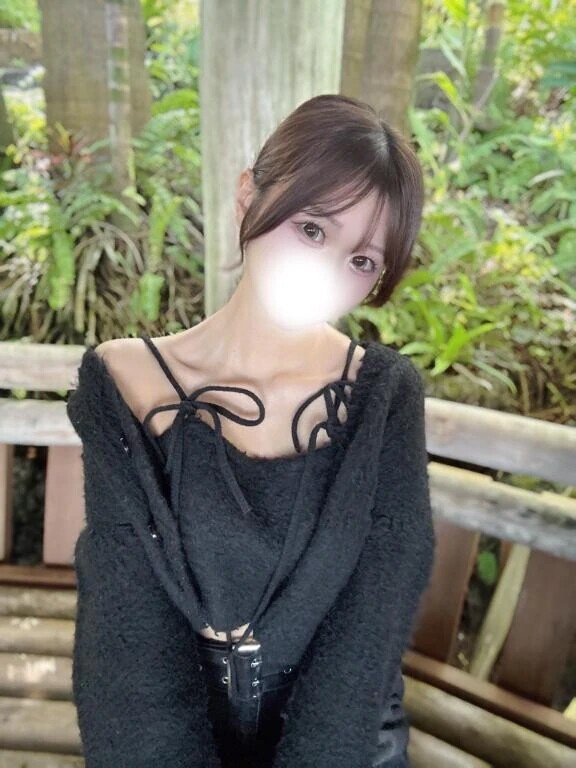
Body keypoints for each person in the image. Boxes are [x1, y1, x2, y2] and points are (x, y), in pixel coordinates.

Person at [67, 93, 436, 768]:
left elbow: (366, 640)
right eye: (313, 229)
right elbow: (126, 644)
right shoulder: (124, 384)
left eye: (362, 261)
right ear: (247, 197)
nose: (328, 272)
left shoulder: (382, 399)